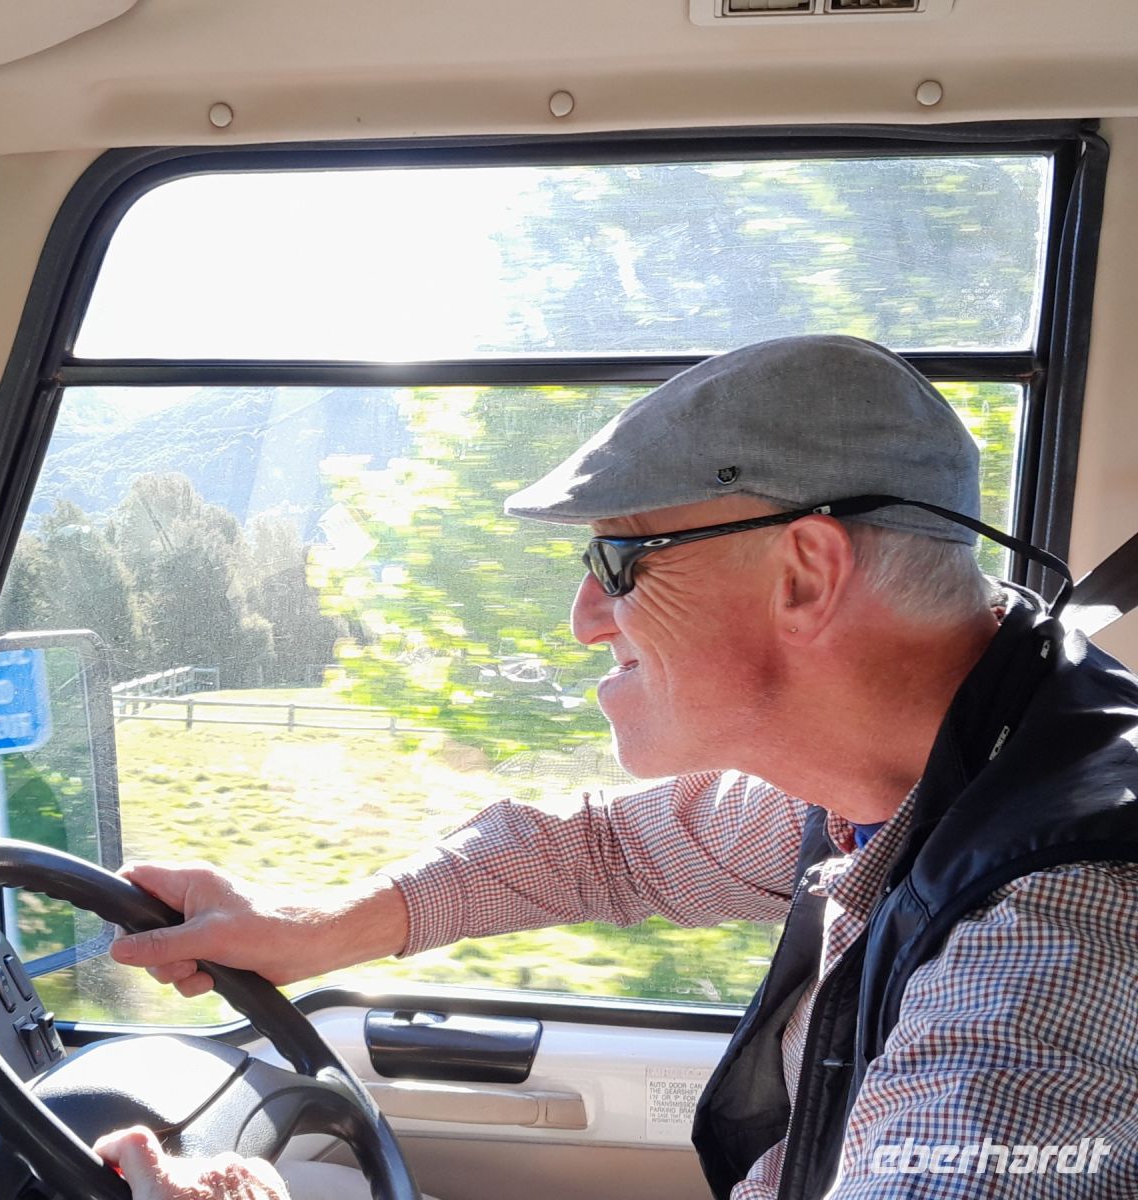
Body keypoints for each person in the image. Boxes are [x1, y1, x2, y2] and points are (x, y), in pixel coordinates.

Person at [94, 335, 1138, 1199]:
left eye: (619, 562)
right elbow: (602, 848)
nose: (584, 618)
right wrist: (310, 931)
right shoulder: (900, 772)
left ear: (806, 571)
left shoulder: (1050, 941)